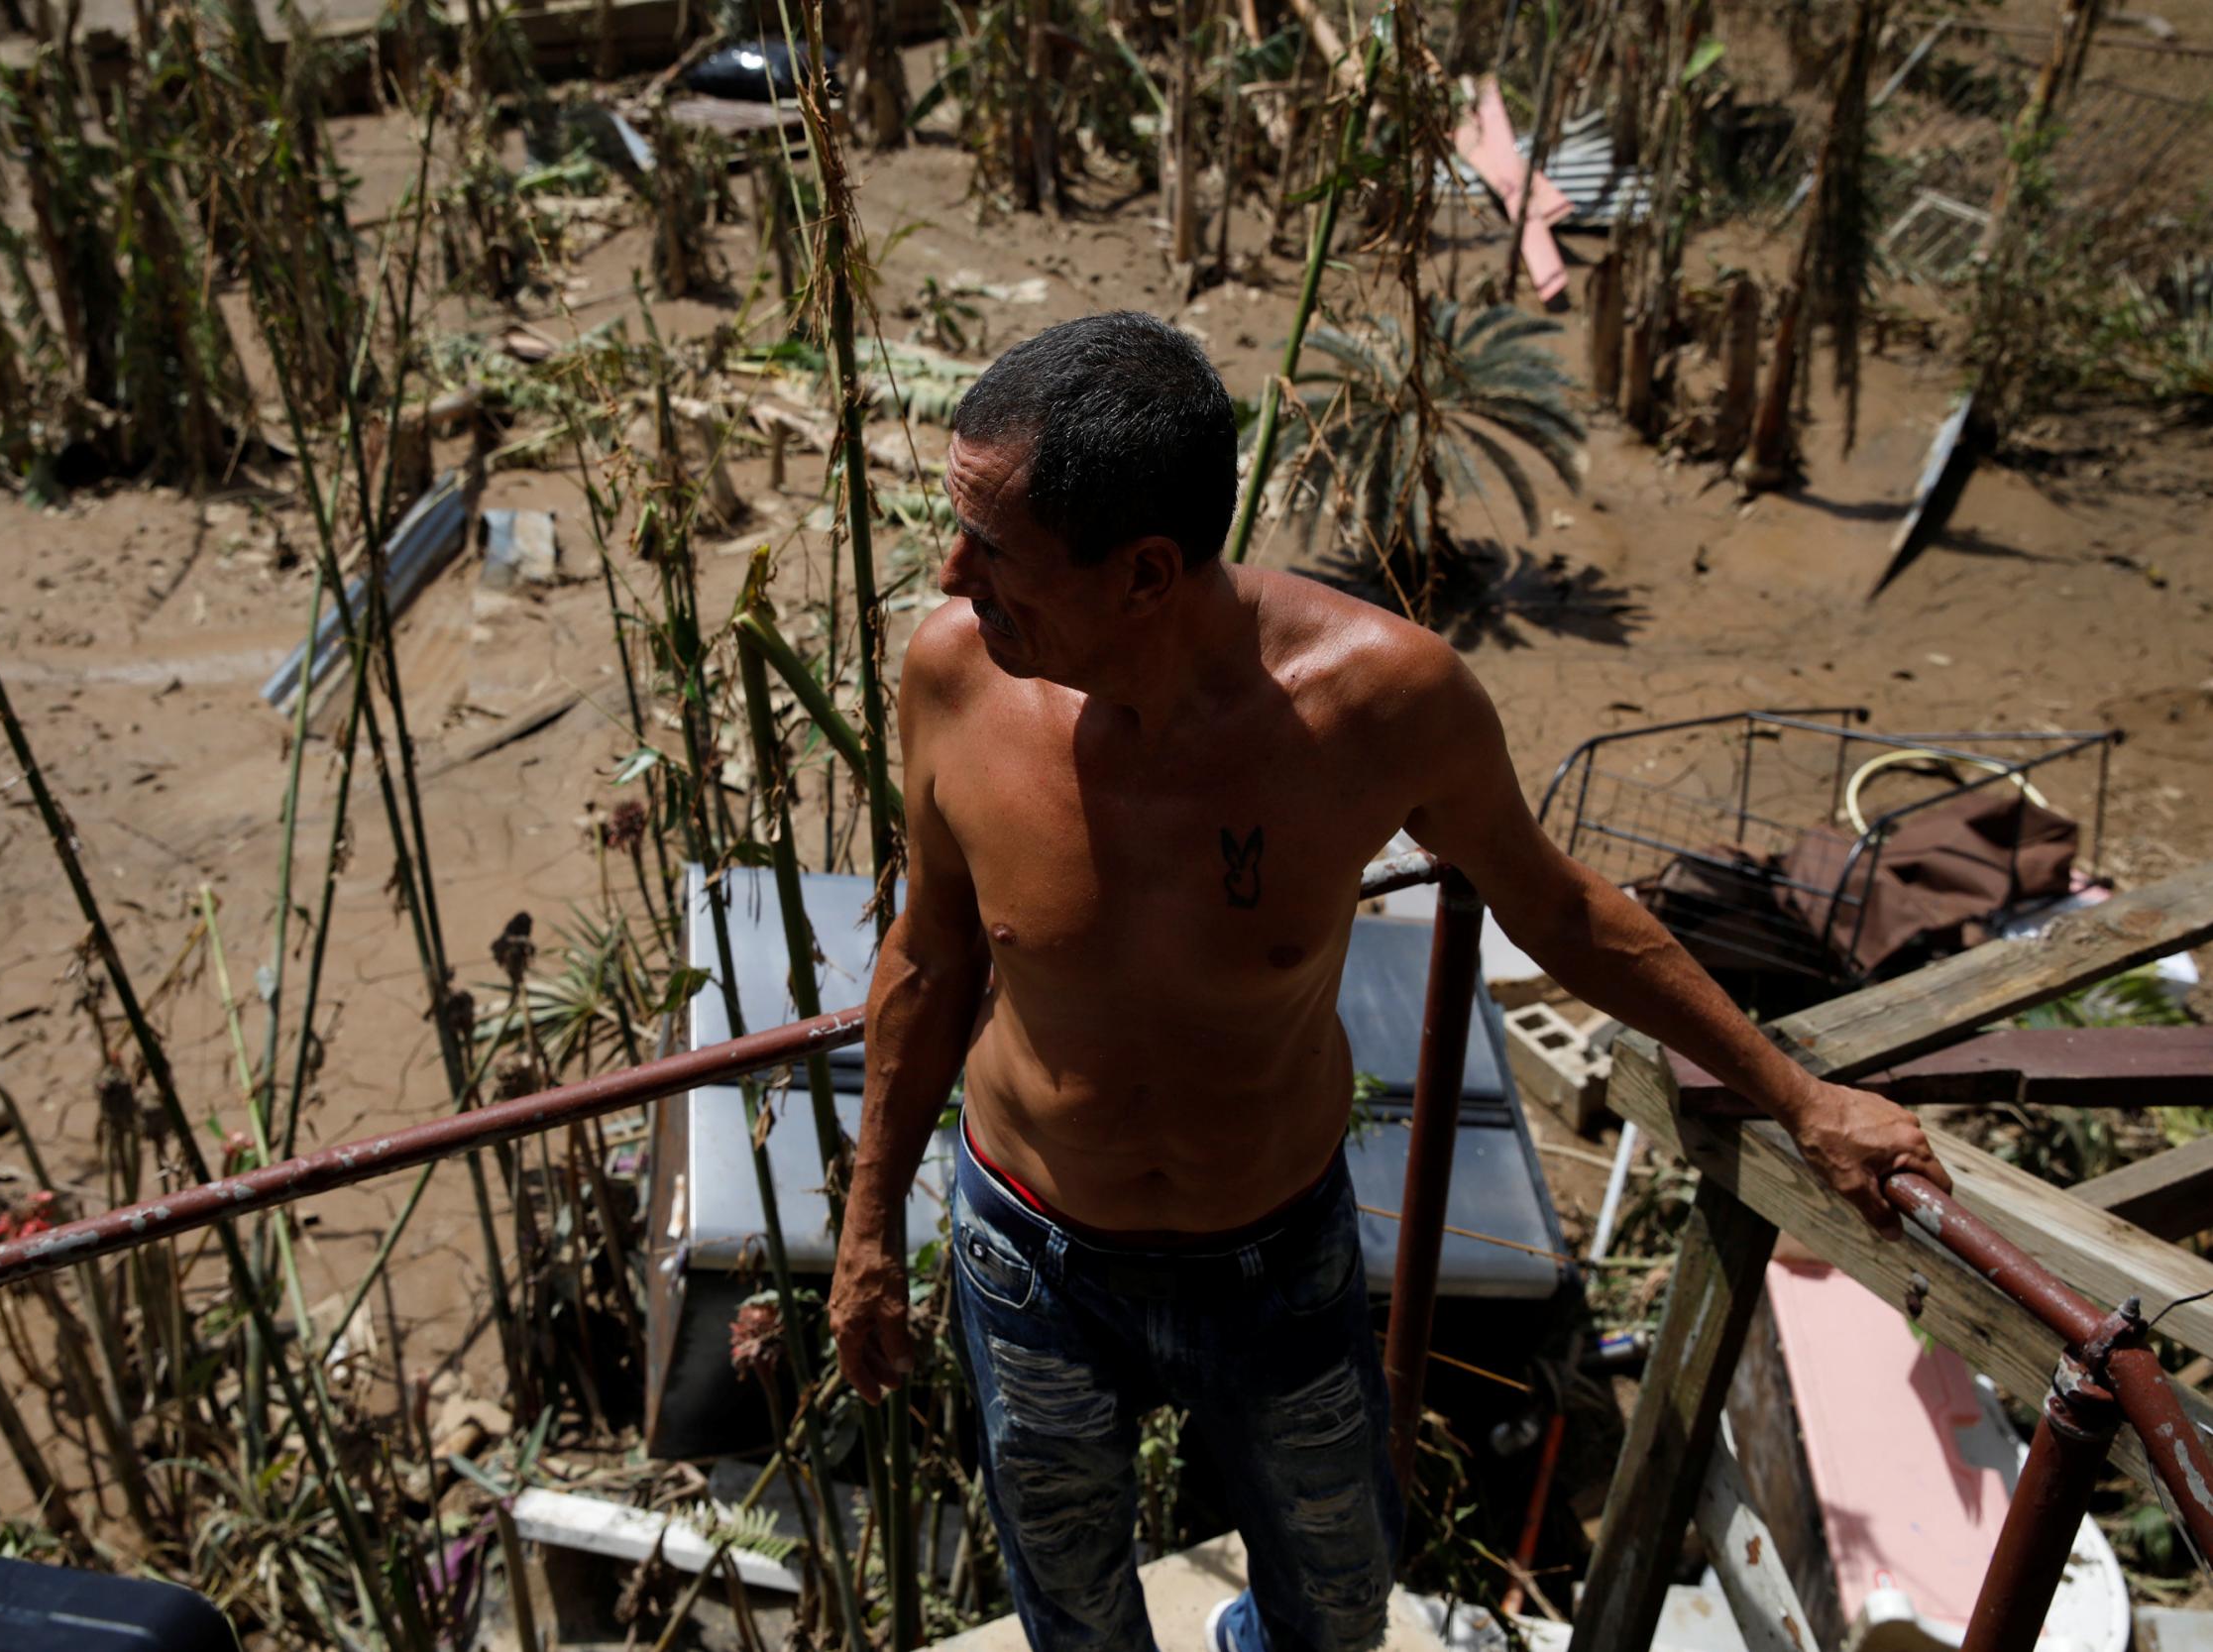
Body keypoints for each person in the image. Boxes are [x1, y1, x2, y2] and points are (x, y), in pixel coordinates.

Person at [827, 311, 1949, 1652]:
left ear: (1143, 572)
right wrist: (870, 1222)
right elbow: (931, 951)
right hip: (1035, 1252)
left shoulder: (1379, 706)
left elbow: (1559, 908)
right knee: (1070, 1608)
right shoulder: (954, 674)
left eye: (995, 551)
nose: (954, 576)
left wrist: (1796, 1099)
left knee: (1338, 1606)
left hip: (1274, 1255)